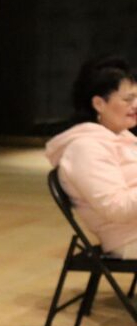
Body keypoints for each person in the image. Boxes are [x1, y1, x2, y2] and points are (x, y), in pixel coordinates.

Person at [46, 55, 137, 257]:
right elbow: (117, 207)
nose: (136, 105)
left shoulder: (122, 137)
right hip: (129, 239)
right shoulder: (85, 148)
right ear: (99, 104)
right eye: (128, 99)